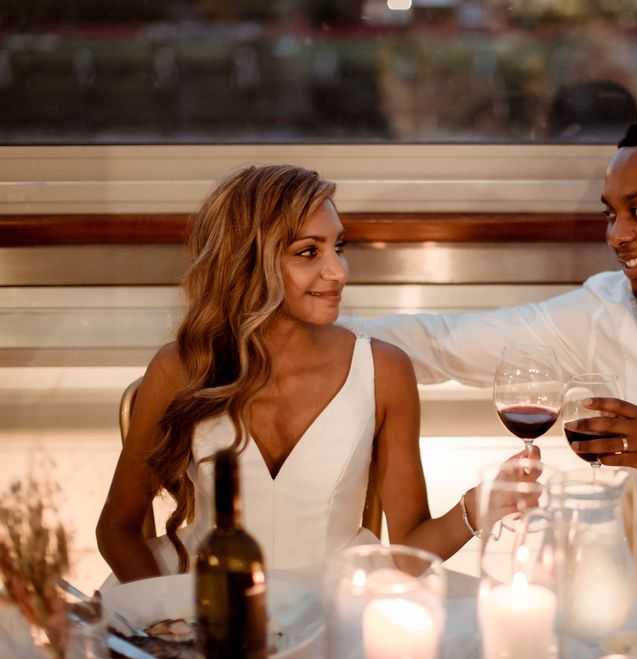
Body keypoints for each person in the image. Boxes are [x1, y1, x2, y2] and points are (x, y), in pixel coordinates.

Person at [361, 110, 637, 577]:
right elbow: (442, 344)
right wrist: (299, 335)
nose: (616, 235)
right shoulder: (605, 310)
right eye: (610, 215)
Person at [96, 164, 532, 583]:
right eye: (309, 252)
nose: (339, 271)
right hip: (203, 594)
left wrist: (477, 509)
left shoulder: (384, 371)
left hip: (339, 601)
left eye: (338, 247)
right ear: (247, 262)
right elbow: (117, 531)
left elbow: (409, 553)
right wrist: (166, 620)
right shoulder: (180, 369)